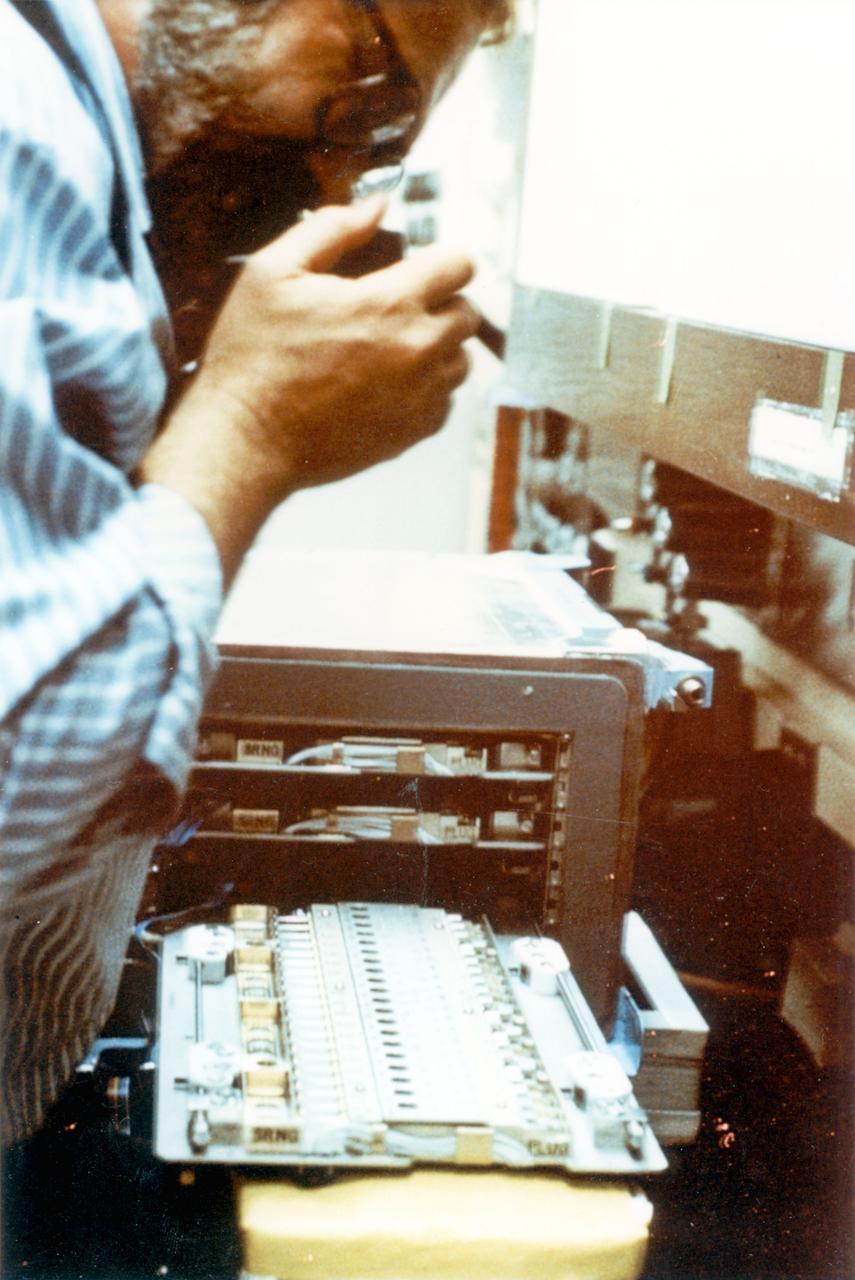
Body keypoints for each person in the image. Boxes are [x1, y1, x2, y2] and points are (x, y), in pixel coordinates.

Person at [0, 0, 512, 1145]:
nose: (334, 185)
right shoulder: (20, 133)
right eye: (370, 100)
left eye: (379, 148)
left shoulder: (79, 155)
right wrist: (251, 427)